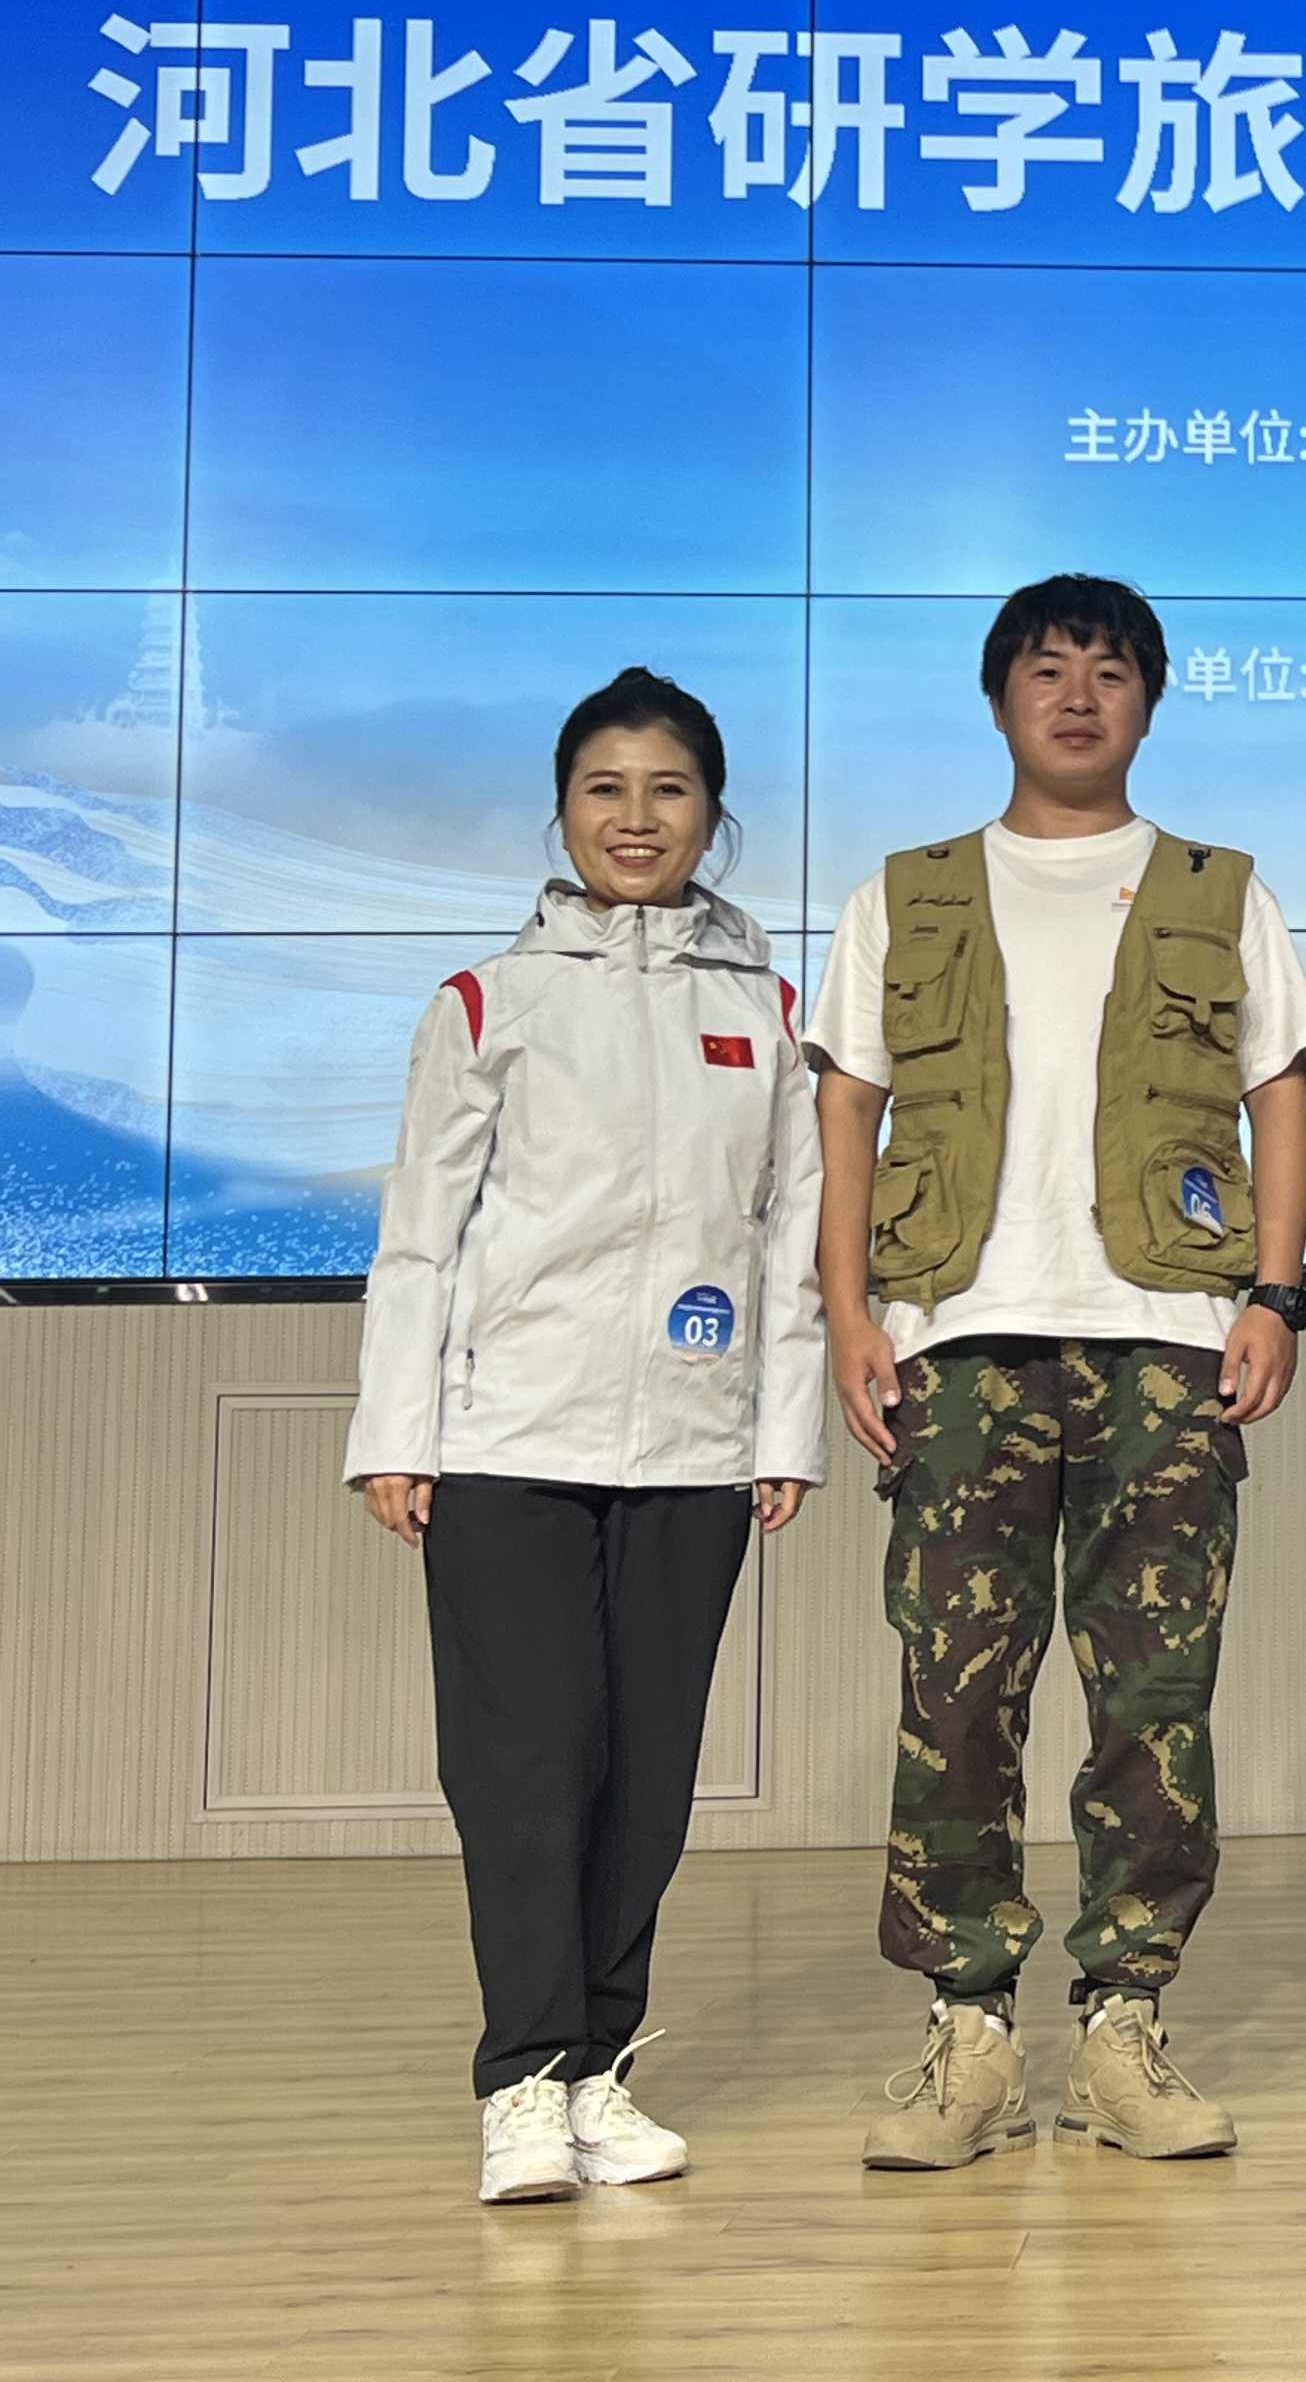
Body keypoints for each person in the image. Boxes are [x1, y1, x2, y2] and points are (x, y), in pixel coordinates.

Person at [808, 575, 1306, 2172]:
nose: (1080, 695)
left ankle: (1123, 2030)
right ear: (999, 698)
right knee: (955, 1694)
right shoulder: (907, 894)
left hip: (1166, 1343)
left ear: (1149, 703)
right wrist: (846, 1315)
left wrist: (1276, 1297)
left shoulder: (1218, 890)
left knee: (1152, 1700)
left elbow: (1280, 1099)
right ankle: (967, 2035)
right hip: (957, 1338)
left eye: (1111, 671)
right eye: (1049, 669)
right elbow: (846, 1113)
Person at [347, 666, 826, 2206]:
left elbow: (793, 1240)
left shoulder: (769, 1013)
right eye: (606, 789)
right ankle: (521, 2080)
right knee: (524, 1768)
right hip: (508, 1440)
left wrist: (784, 1432)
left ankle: (601, 2069)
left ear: (713, 814)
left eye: (669, 789)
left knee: (648, 1774)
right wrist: (397, 1431)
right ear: (563, 810)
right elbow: (422, 1235)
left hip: (694, 1447)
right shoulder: (490, 1001)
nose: (637, 817)